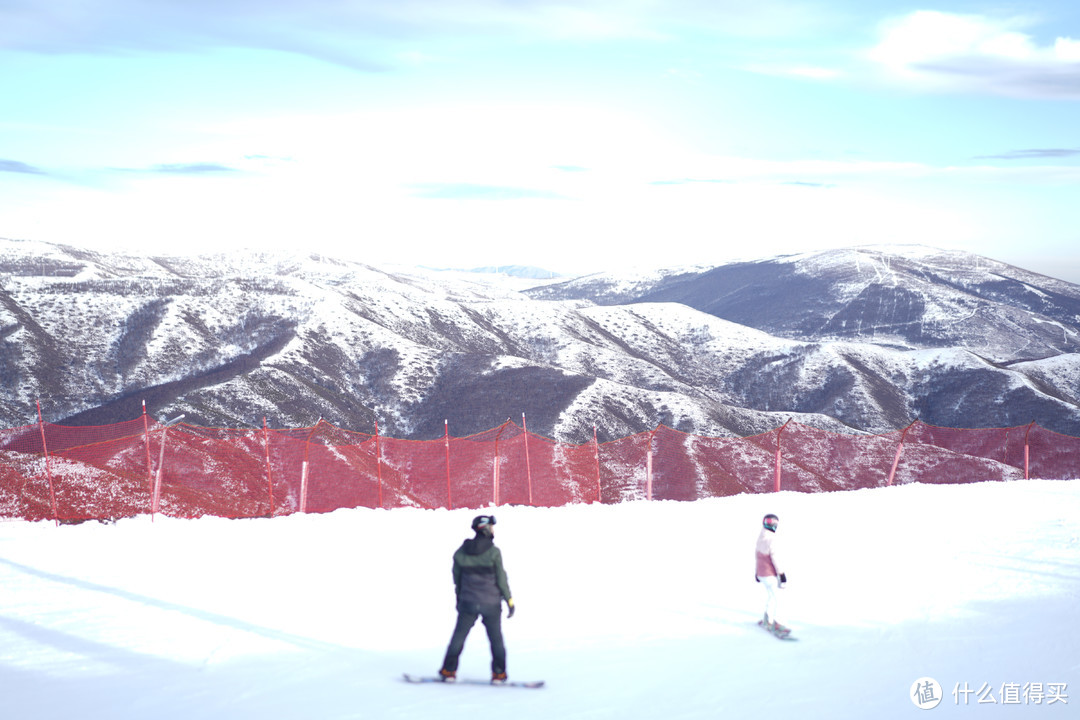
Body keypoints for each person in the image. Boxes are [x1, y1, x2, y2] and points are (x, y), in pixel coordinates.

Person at [439, 514, 515, 684]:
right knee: (496, 639)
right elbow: (501, 579)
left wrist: (459, 600)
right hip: (491, 603)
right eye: (492, 527)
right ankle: (499, 674)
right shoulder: (494, 552)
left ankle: (448, 671)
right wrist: (509, 600)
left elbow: (457, 580)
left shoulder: (461, 552)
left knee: (458, 637)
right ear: (486, 529)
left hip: (468, 602)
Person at [755, 513, 789, 635]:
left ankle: (766, 620)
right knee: (778, 598)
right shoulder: (772, 539)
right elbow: (776, 558)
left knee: (771, 596)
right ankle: (777, 623)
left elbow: (758, 556)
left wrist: (756, 572)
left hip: (762, 573)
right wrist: (782, 575)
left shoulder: (761, 537)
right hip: (769, 574)